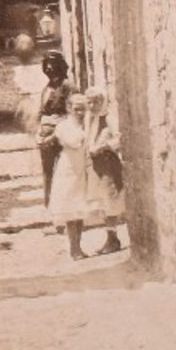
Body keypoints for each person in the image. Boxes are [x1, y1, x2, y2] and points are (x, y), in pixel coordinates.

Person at [48, 92, 93, 259]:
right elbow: (74, 142)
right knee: (70, 210)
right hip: (68, 170)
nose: (80, 113)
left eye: (83, 109)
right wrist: (85, 132)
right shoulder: (63, 127)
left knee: (80, 210)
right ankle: (73, 249)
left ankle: (78, 248)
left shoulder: (86, 125)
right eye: (77, 109)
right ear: (69, 108)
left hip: (82, 169)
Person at [85, 89, 125, 254]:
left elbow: (120, 138)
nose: (92, 105)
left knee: (110, 201)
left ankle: (113, 239)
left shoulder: (109, 118)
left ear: (102, 101)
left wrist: (103, 146)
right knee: (101, 202)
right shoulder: (90, 119)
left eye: (95, 102)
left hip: (108, 164)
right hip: (96, 166)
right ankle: (110, 238)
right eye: (89, 102)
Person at [35, 50, 73, 205]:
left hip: (61, 137)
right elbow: (41, 115)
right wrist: (39, 133)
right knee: (48, 172)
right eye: (47, 65)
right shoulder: (46, 88)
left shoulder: (68, 87)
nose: (49, 68)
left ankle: (64, 208)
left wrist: (56, 134)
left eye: (53, 64)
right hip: (45, 138)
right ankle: (50, 207)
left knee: (63, 172)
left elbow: (72, 115)